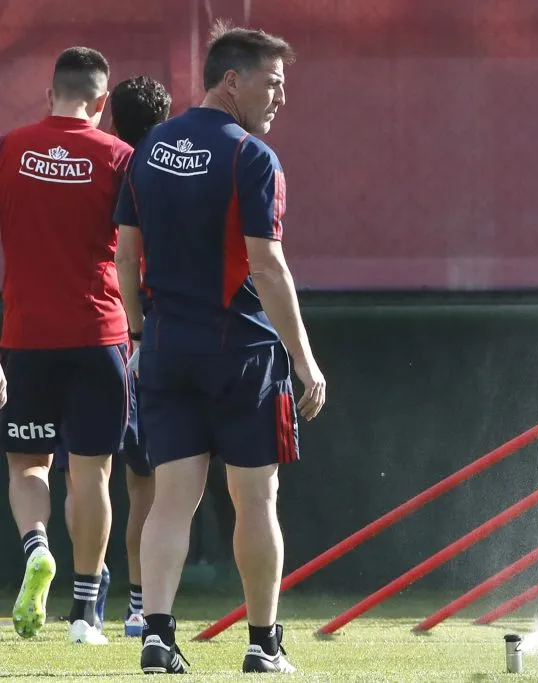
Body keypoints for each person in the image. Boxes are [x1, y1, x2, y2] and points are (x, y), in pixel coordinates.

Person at [114, 22, 326, 674]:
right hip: (243, 350)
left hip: (168, 345)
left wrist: (139, 335)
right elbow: (267, 264)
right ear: (231, 79)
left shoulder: (149, 145)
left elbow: (124, 249)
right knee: (256, 499)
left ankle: (155, 634)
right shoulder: (251, 157)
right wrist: (306, 358)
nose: (281, 99)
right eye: (273, 83)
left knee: (170, 498)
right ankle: (263, 644)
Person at [0, 47, 132, 646]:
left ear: (49, 93)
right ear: (102, 101)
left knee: (30, 466)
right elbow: (135, 251)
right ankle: (86, 616)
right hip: (99, 332)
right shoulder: (119, 157)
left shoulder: (9, 149)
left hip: (26, 336)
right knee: (92, 477)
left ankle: (36, 547)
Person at [52, 74, 172, 639]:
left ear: (113, 117)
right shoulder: (157, 169)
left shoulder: (118, 164)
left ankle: (107, 599)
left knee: (100, 476)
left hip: (113, 331)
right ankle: (142, 607)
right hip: (156, 333)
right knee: (150, 484)